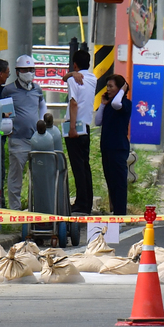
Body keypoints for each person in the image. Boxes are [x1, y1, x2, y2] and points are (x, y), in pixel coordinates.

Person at [0, 54, 44, 210]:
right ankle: (15, 209)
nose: (29, 73)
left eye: (31, 69)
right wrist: (7, 128)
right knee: (16, 176)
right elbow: (4, 113)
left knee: (38, 176)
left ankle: (37, 207)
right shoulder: (8, 90)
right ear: (18, 72)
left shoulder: (37, 89)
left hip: (36, 139)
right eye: (25, 70)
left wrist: (43, 123)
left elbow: (42, 106)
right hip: (18, 139)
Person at [64, 49, 96, 214]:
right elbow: (66, 77)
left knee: (77, 167)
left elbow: (73, 103)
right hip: (86, 127)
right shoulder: (93, 79)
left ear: (75, 64)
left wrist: (72, 128)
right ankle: (87, 202)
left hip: (75, 127)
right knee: (85, 166)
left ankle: (81, 203)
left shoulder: (73, 81)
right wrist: (72, 73)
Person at [96, 73, 131, 216]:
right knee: (111, 181)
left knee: (119, 182)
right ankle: (115, 211)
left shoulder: (125, 104)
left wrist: (123, 89)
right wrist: (102, 104)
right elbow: (98, 121)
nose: (108, 89)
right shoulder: (109, 105)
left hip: (118, 148)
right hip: (106, 148)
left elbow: (117, 104)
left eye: (111, 86)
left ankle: (120, 214)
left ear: (120, 88)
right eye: (107, 86)